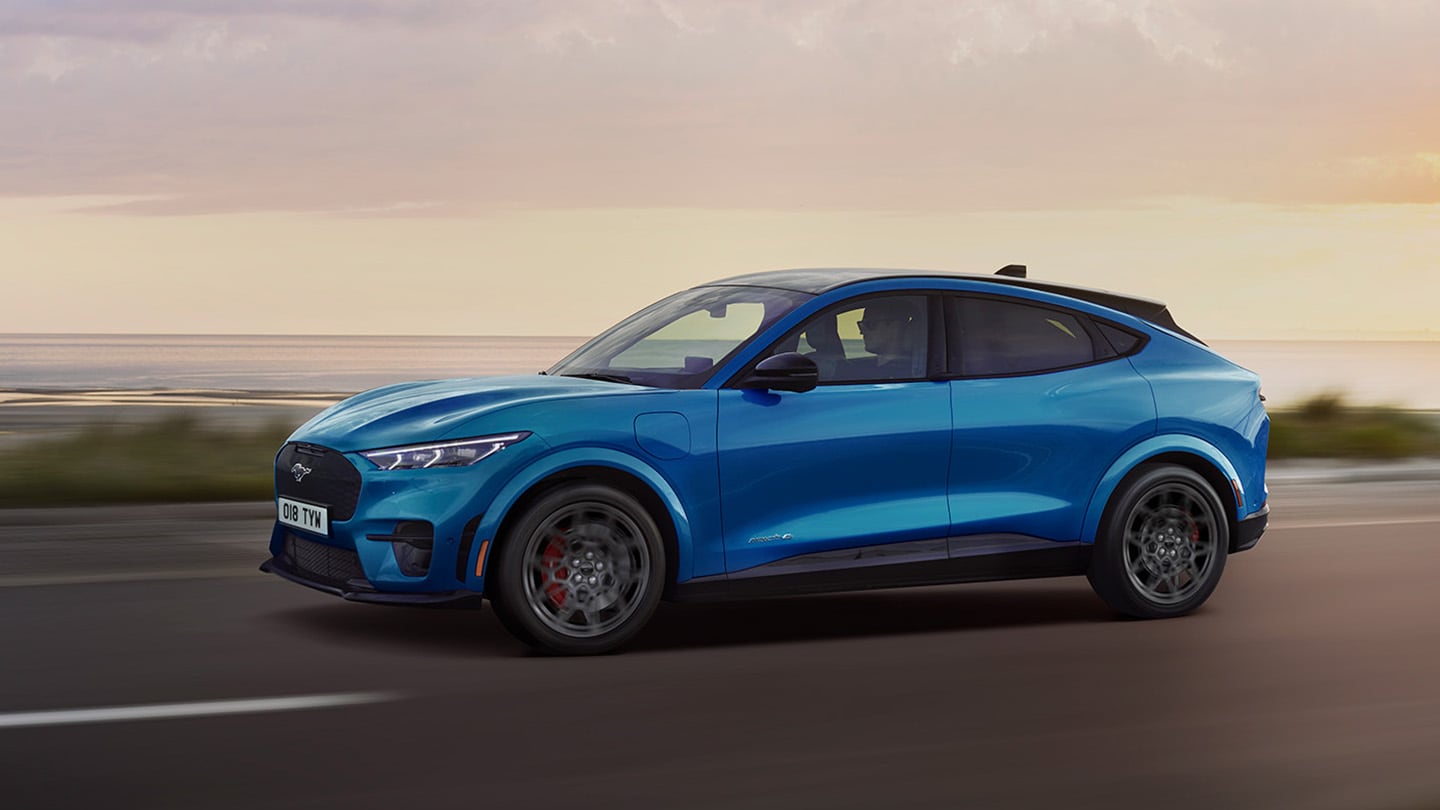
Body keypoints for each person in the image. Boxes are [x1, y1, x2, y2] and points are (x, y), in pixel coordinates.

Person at [852, 297, 923, 379]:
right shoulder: (864, 368)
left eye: (870, 324)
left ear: (895, 327)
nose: (862, 332)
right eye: (861, 326)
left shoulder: (907, 374)